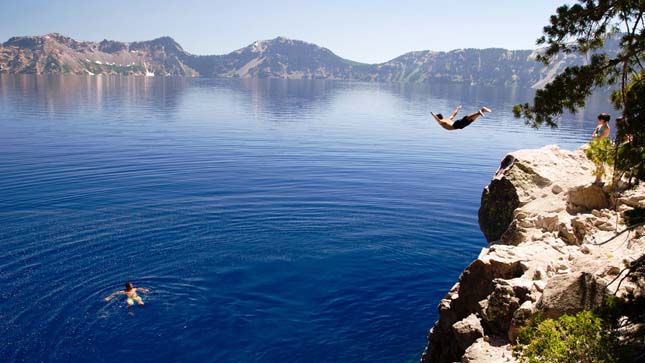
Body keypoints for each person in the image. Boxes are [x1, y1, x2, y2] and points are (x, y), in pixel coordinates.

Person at [590, 113, 611, 185]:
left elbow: (601, 137)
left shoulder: (607, 128)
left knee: (600, 163)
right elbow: (593, 134)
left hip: (602, 147)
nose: (598, 120)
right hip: (596, 145)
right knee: (597, 163)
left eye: (600, 119)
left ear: (603, 120)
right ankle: (597, 179)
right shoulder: (599, 126)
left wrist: (596, 136)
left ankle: (598, 179)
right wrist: (595, 136)